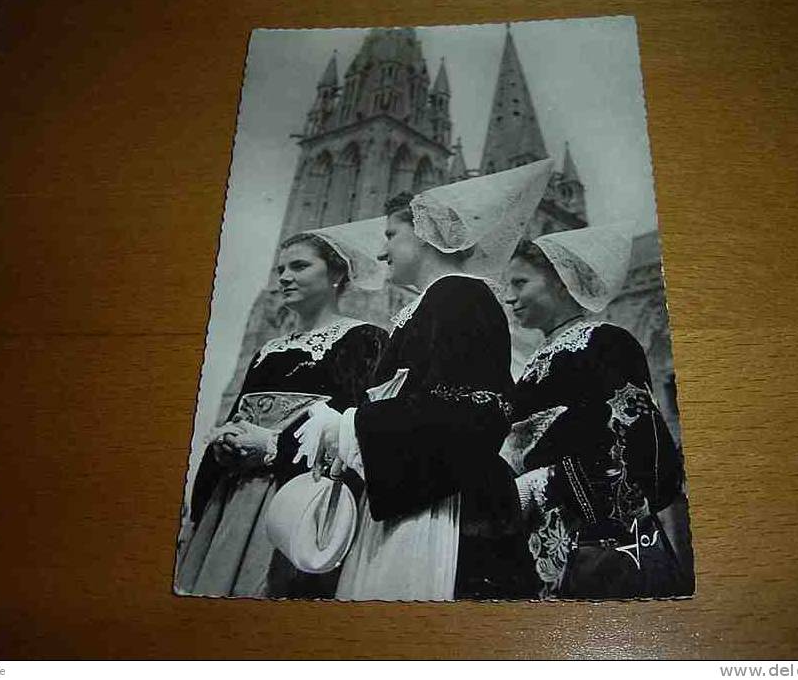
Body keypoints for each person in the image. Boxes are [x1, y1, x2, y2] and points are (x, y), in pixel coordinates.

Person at [299, 159, 553, 600]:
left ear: (425, 234)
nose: (381, 253)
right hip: (409, 501)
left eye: (391, 236)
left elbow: (472, 411)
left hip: (445, 515)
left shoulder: (462, 296)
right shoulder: (429, 306)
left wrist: (349, 425)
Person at [174, 218, 388, 598]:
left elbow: (352, 434)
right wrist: (222, 452)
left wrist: (273, 447)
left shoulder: (362, 339)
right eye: (281, 269)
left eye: (300, 266)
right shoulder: (268, 351)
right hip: (232, 501)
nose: (285, 277)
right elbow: (235, 419)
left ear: (337, 272)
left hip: (297, 502)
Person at [502, 224, 694, 599]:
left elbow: (634, 445)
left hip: (603, 547)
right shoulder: (534, 362)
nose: (509, 298)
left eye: (520, 283)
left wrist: (537, 483)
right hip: (538, 541)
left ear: (560, 281)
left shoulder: (605, 343)